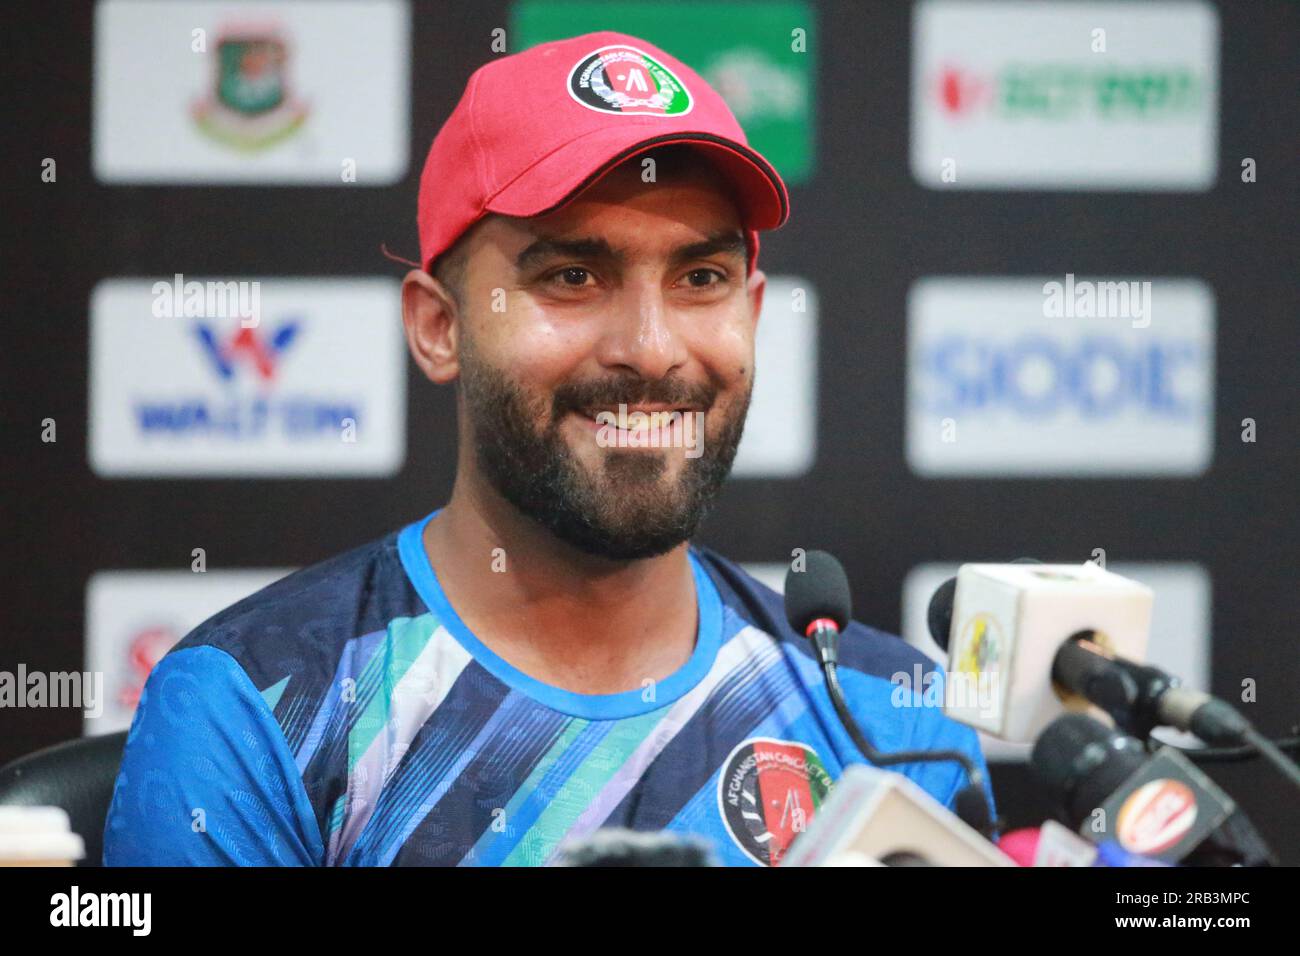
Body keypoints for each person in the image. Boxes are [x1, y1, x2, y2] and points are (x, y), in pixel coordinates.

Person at [104, 31, 990, 867]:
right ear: (439, 327)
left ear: (752, 313)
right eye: (573, 277)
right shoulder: (255, 708)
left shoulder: (890, 721)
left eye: (700, 279)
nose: (650, 348)